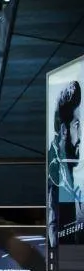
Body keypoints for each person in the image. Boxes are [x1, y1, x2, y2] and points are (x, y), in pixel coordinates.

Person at [49, 80, 82, 246]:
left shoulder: (66, 174)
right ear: (64, 131)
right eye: (77, 126)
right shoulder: (57, 178)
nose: (80, 138)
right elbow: (56, 231)